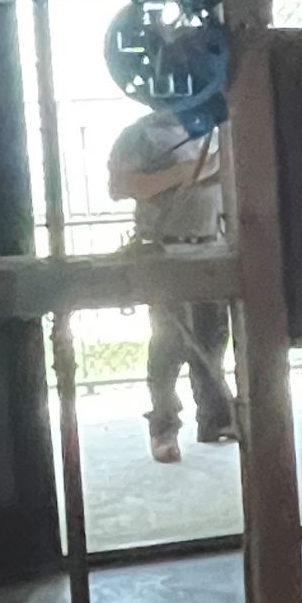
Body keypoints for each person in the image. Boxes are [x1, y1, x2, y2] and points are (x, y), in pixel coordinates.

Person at [108, 107, 237, 464]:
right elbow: (120, 187)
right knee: (169, 344)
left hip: (212, 245)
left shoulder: (215, 127)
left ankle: (216, 419)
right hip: (165, 249)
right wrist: (186, 172)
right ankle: (164, 428)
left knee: (212, 339)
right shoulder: (142, 135)